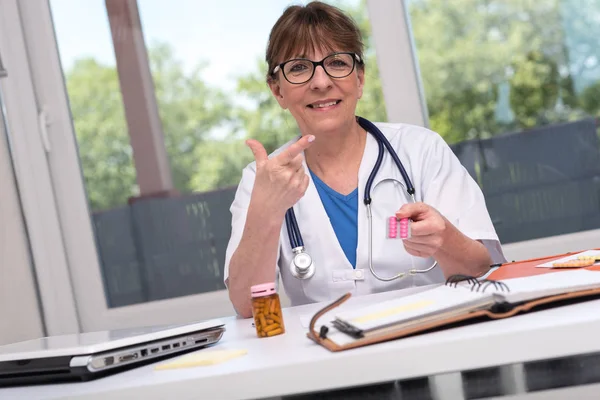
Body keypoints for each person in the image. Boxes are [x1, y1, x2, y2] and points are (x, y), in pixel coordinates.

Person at [224, 1, 506, 318]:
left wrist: (445, 239)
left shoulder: (420, 150)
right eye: (299, 68)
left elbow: (482, 270)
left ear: (359, 78)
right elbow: (247, 308)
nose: (320, 82)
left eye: (337, 63)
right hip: (322, 357)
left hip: (430, 344)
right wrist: (267, 212)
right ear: (278, 91)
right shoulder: (262, 179)